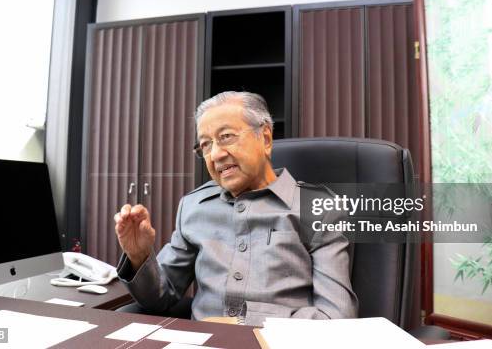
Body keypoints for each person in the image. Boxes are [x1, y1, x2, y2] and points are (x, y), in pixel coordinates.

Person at [114, 91, 358, 326]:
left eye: (226, 136)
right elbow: (160, 298)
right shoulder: (193, 207)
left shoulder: (319, 209)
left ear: (265, 138)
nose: (216, 154)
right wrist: (139, 256)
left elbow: (335, 317)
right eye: (206, 145)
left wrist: (244, 323)